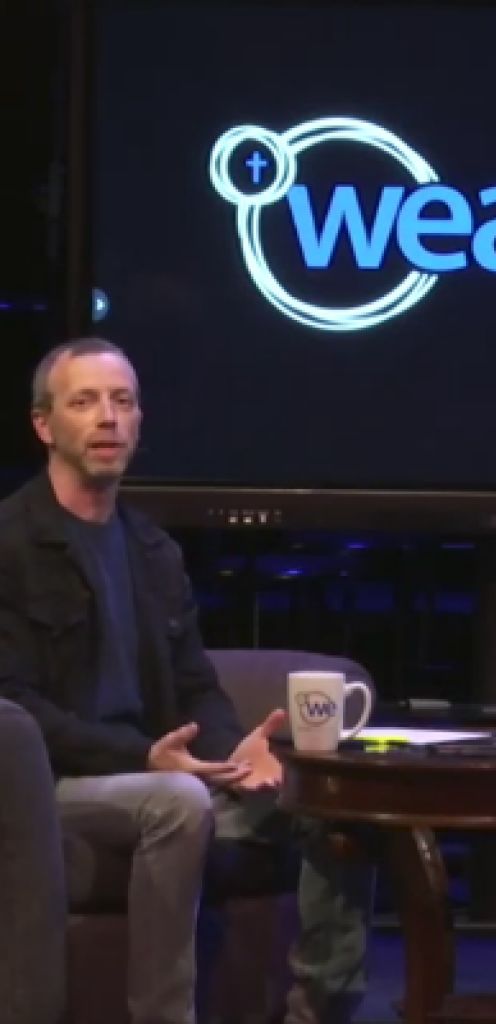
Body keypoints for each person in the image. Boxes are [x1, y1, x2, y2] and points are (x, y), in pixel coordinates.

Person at [0, 336, 372, 1024]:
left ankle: (318, 1011)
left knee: (332, 801)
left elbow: (195, 681)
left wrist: (238, 750)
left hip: (163, 772)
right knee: (177, 802)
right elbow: (15, 705)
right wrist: (145, 757)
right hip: (50, 787)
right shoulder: (12, 544)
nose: (108, 418)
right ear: (44, 425)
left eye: (123, 402)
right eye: (85, 402)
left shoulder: (153, 550)